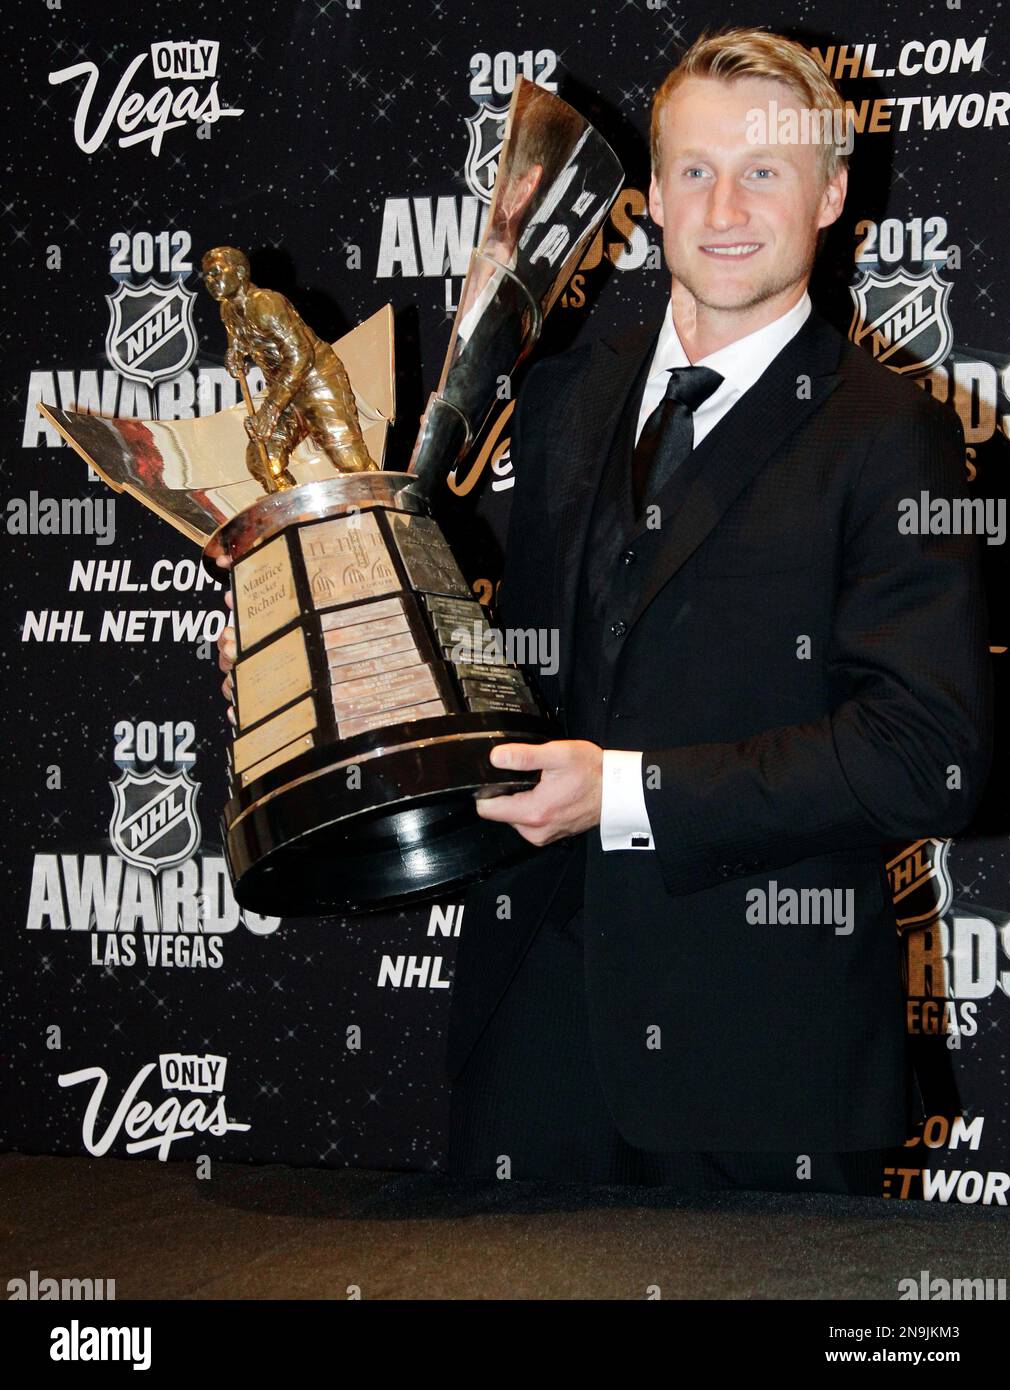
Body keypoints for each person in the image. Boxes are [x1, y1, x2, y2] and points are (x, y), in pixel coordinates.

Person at [444, 27, 992, 1194]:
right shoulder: (564, 401)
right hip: (527, 1051)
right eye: (694, 170)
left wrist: (627, 792)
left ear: (832, 193)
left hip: (757, 1078)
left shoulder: (892, 436)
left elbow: (924, 756)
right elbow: (514, 673)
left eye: (764, 171)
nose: (725, 206)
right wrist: (344, 667)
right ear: (647, 199)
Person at [201, 245, 375, 489]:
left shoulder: (265, 304)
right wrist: (235, 353)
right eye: (207, 276)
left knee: (352, 464)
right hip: (284, 393)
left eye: (217, 272)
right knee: (263, 461)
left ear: (240, 272)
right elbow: (240, 339)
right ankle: (297, 521)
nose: (211, 280)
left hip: (316, 383)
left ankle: (388, 516)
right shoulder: (228, 309)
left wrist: (270, 410)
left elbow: (301, 356)